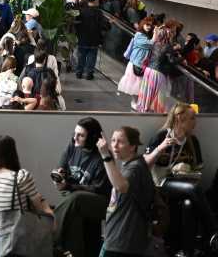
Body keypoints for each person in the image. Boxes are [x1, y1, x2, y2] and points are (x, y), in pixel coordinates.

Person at [145, 103, 217, 253]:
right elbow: (145, 164)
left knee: (188, 203)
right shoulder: (162, 136)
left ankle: (186, 250)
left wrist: (189, 171)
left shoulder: (192, 141)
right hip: (162, 183)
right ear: (179, 120)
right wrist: (161, 148)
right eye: (191, 118)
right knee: (195, 189)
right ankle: (214, 230)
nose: (195, 122)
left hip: (185, 184)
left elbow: (198, 168)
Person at [0, 135, 54, 256]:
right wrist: (50, 214)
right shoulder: (20, 178)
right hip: (17, 238)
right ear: (13, 153)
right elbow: (39, 206)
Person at [53, 117, 110, 257]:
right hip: (74, 200)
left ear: (92, 138)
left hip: (99, 201)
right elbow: (62, 168)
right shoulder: (72, 146)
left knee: (76, 199)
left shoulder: (102, 156)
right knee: (76, 228)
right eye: (75, 133)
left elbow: (98, 189)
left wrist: (70, 186)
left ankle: (52, 241)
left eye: (81, 135)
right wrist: (59, 177)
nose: (75, 138)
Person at [98, 126, 155, 257]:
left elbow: (121, 186)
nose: (115, 146)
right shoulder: (131, 165)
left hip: (123, 242)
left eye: (120, 142)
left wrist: (106, 156)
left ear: (132, 146)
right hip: (118, 239)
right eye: (112, 141)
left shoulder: (134, 168)